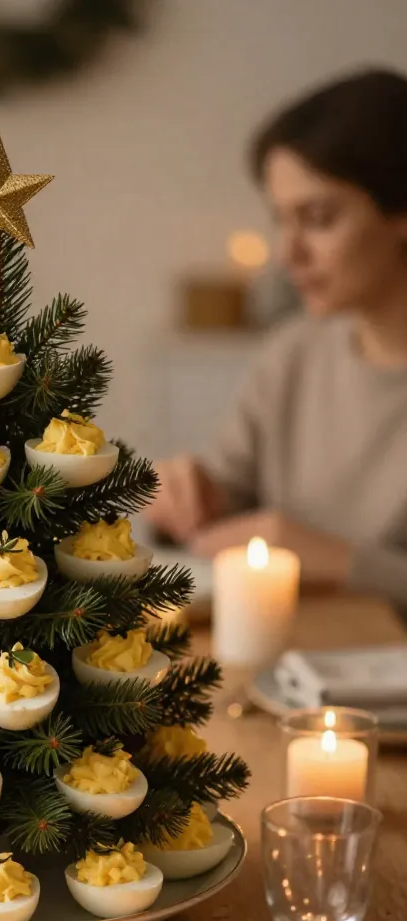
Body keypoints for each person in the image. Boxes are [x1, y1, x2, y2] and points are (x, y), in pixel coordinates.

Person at [147, 69, 407, 609]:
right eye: (280, 220)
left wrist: (342, 560)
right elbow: (223, 506)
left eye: (317, 217)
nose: (287, 255)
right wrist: (192, 497)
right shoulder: (295, 353)